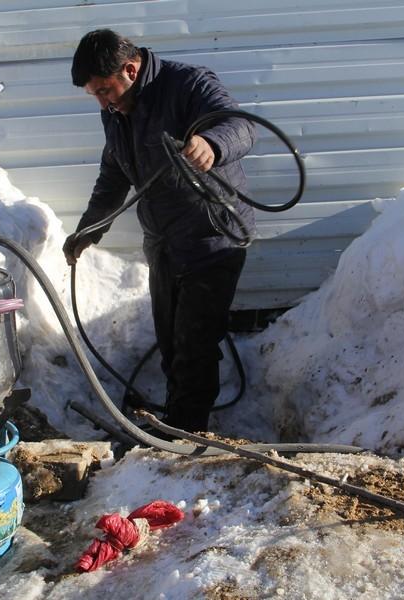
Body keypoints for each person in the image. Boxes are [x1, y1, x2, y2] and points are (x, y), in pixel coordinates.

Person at [63, 29, 256, 433]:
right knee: (170, 341)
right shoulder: (115, 112)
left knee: (194, 345)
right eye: (94, 95)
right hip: (165, 241)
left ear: (130, 70)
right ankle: (178, 421)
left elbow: (238, 124)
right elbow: (113, 175)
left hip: (213, 234)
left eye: (104, 90)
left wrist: (211, 143)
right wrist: (88, 230)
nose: (102, 101)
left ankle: (189, 436)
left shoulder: (188, 85)